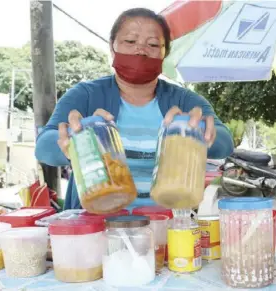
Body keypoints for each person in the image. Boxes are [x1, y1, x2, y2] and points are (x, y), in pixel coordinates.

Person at [35, 8, 234, 210]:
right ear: (112, 47)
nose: (141, 50)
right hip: (96, 229)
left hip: (166, 229)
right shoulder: (85, 95)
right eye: (130, 41)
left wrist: (198, 131)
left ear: (165, 54)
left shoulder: (185, 100)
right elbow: (43, 147)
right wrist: (73, 139)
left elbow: (225, 144)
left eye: (153, 44)